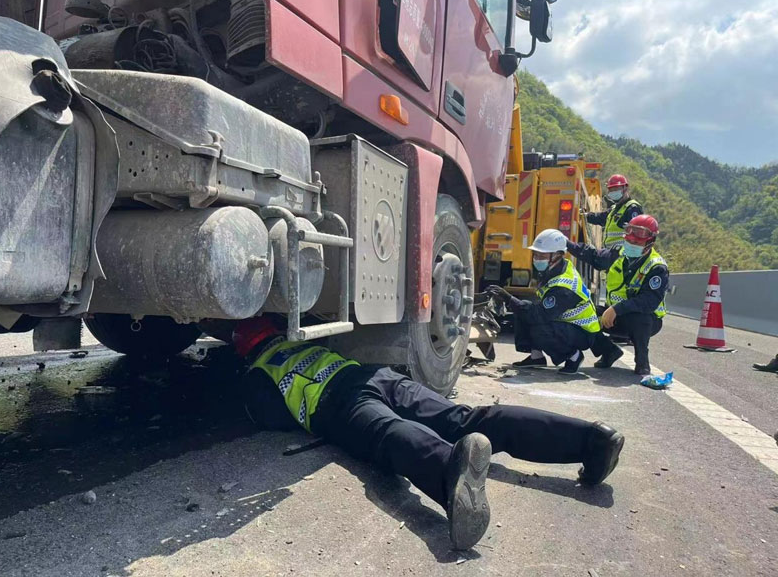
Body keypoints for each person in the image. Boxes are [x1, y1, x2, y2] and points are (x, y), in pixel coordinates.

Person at [233, 316, 625, 551]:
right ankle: (591, 440)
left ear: (247, 349)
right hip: (374, 375)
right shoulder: (302, 341)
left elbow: (270, 417)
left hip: (336, 404)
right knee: (466, 417)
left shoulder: (260, 372)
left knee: (388, 433)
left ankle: (449, 472)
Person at [567, 214, 668, 376]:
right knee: (581, 312)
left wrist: (617, 309)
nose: (631, 244)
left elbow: (649, 301)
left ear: (650, 242)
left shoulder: (657, 267)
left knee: (640, 317)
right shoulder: (618, 255)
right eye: (629, 241)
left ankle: (642, 361)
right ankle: (608, 351)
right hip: (614, 317)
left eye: (636, 242)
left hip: (646, 322)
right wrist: (566, 244)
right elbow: (592, 255)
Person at [489, 229, 600, 374]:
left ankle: (574, 356)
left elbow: (539, 315)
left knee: (539, 327)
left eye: (542, 255)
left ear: (558, 255)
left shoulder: (563, 286)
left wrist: (509, 298)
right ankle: (536, 357)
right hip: (567, 324)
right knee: (521, 309)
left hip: (581, 332)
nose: (537, 258)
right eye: (536, 254)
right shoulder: (557, 268)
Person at [586, 174, 643, 248]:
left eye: (616, 189)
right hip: (611, 253)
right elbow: (600, 218)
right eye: (611, 190)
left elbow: (638, 235)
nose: (613, 192)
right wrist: (585, 215)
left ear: (625, 188)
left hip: (623, 254)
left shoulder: (632, 208)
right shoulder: (614, 209)